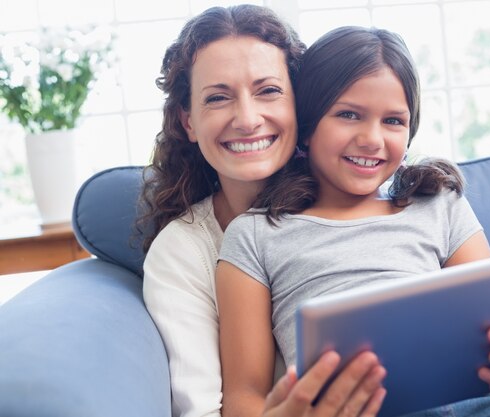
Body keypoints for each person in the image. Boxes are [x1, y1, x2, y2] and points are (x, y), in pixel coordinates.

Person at [215, 26, 490, 417]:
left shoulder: (437, 204)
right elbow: (243, 398)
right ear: (306, 126)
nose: (373, 139)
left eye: (393, 121)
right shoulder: (254, 235)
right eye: (349, 115)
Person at [140, 5, 387, 417]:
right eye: (217, 98)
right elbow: (202, 409)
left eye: (268, 90)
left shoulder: (366, 194)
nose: (248, 119)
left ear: (301, 105)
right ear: (189, 122)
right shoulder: (184, 252)